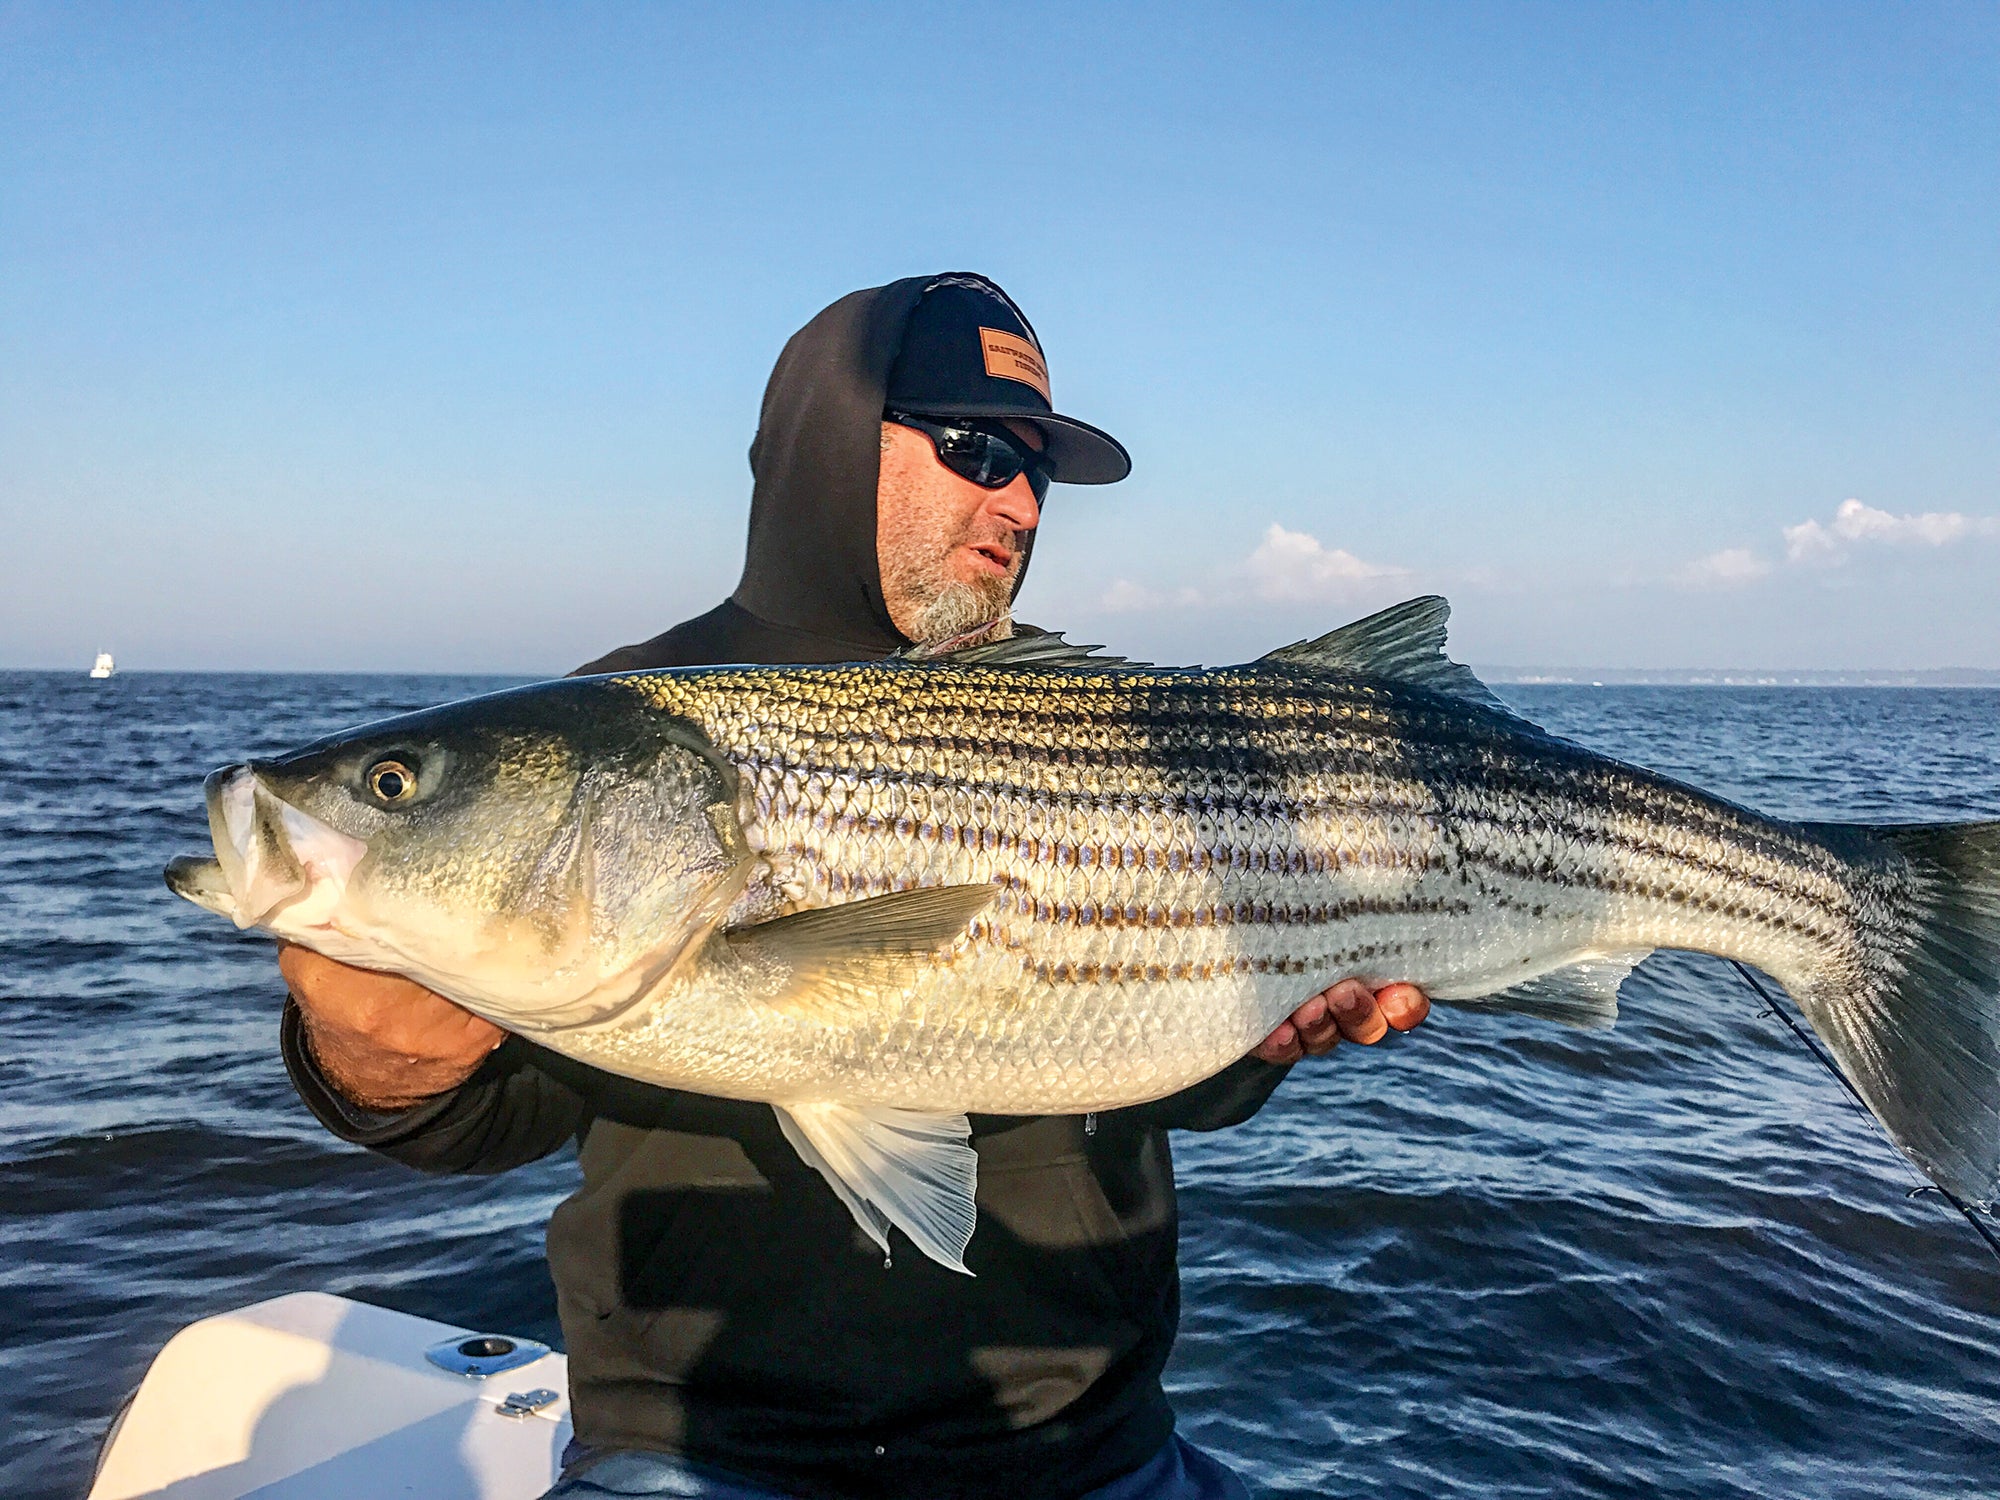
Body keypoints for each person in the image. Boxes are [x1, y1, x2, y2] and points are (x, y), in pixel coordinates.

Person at [278, 274, 1431, 1500]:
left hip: (1091, 1448)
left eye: (1036, 465)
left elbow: (1145, 1063)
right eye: (976, 447)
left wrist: (1260, 1043)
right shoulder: (623, 722)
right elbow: (498, 1111)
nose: (1020, 502)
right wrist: (380, 1063)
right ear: (832, 445)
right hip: (708, 1459)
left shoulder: (1091, 716)